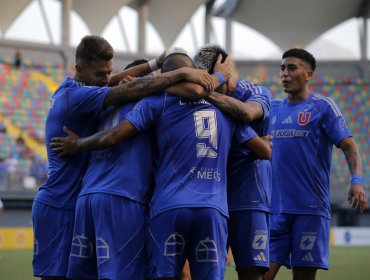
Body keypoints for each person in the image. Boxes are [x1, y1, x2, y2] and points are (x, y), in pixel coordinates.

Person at [51, 51, 272, 279]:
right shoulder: (227, 110)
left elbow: (114, 134)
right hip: (213, 208)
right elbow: (264, 151)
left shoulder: (154, 102)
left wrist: (78, 144)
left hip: (167, 206)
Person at [31, 35, 213, 280]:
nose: (106, 79)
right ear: (79, 69)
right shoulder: (78, 98)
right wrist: (182, 73)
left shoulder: (73, 90)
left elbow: (115, 83)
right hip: (60, 204)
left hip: (80, 200)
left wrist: (153, 64)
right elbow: (126, 91)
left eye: (109, 72)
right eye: (100, 74)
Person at [263, 48, 367, 280]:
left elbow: (350, 147)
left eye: (292, 67)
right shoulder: (273, 109)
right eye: (282, 68)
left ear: (308, 74)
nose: (284, 74)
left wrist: (357, 181)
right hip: (275, 211)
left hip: (309, 210)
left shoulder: (322, 107)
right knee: (259, 275)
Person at [186, 44, 272, 280]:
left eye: (212, 76)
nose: (208, 81)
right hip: (211, 197)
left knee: (250, 272)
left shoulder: (256, 92)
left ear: (225, 70)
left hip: (250, 197)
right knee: (206, 272)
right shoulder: (198, 100)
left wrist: (205, 93)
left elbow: (246, 113)